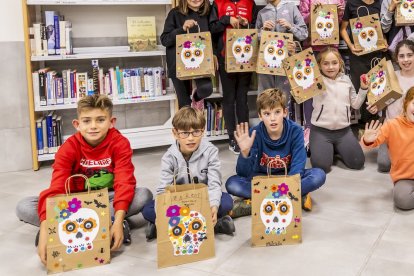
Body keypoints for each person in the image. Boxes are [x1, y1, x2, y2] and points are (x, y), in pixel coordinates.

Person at [15, 95, 153, 265]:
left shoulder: (120, 143)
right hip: (74, 203)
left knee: (143, 195)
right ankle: (100, 225)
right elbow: (57, 187)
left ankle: (103, 224)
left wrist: (117, 220)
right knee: (24, 206)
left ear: (111, 122)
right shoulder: (68, 147)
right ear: (77, 124)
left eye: (100, 120)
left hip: (108, 198)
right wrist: (46, 227)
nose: (93, 126)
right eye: (87, 121)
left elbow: (124, 181)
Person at [142, 107, 235, 241]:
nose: (191, 138)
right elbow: (162, 190)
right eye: (185, 133)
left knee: (226, 202)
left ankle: (215, 222)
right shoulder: (169, 157)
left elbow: (215, 184)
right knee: (148, 210)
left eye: (196, 132)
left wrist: (213, 205)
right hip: (179, 204)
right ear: (175, 133)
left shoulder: (211, 152)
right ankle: (213, 223)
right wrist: (161, 214)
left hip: (203, 200)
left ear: (203, 131)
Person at [225, 89, 326, 212]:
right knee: (232, 183)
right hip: (262, 178)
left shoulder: (295, 131)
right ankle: (295, 196)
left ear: (285, 112)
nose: (272, 118)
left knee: (318, 175)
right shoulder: (254, 133)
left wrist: (290, 182)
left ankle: (257, 201)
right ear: (260, 116)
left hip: (288, 176)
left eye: (277, 112)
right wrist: (245, 152)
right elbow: (243, 173)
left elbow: (298, 165)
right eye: (267, 114)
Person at [209, 0, 260, 154]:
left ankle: (243, 135)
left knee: (242, 99)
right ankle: (232, 137)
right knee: (229, 99)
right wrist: (226, 20)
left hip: (246, 59)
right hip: (226, 59)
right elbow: (212, 29)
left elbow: (256, 30)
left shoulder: (251, 3)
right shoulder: (217, 3)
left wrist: (246, 24)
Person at [309, 47, 366, 173]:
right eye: (326, 63)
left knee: (358, 163)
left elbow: (355, 105)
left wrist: (363, 89)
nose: (330, 67)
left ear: (340, 63)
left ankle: (335, 148)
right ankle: (324, 147)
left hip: (343, 131)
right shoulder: (315, 80)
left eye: (334, 63)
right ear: (319, 65)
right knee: (322, 167)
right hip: (321, 131)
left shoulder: (346, 80)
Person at [299, 0, 346, 144]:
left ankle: (333, 126)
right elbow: (302, 19)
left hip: (331, 46)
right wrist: (314, 13)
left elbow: (344, 20)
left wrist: (339, 13)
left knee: (332, 88)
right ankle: (309, 129)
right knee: (309, 90)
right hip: (312, 47)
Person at [361, 87, 414, 210]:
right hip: (405, 177)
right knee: (402, 200)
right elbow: (373, 141)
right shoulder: (392, 125)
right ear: (406, 103)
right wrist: (367, 140)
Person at [367, 39, 414, 172]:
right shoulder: (390, 77)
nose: (406, 60)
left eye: (410, 55)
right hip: (392, 129)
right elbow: (381, 104)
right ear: (396, 59)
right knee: (383, 165)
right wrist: (375, 108)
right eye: (401, 56)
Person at [161, 0, 215, 109]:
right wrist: (182, 29)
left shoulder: (208, 12)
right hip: (178, 64)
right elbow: (165, 40)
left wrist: (214, 54)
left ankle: (196, 98)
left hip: (201, 62)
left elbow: (213, 35)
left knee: (206, 88)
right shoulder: (175, 13)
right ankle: (187, 124)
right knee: (184, 105)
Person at [340, 0, 386, 124]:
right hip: (358, 55)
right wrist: (350, 45)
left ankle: (374, 123)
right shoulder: (352, 3)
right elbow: (343, 29)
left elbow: (384, 27)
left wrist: (384, 42)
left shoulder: (381, 3)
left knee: (378, 88)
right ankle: (365, 124)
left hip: (376, 54)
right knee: (362, 89)